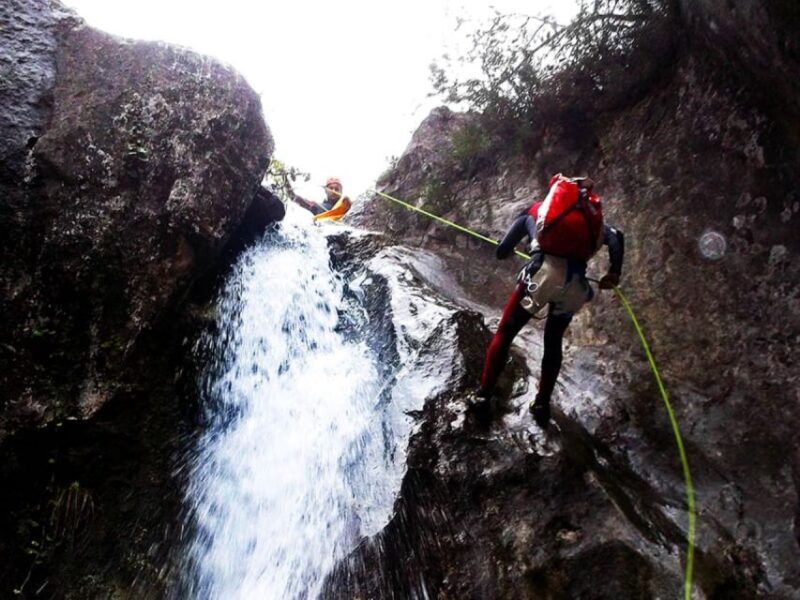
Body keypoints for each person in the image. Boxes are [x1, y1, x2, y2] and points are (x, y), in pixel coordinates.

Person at [473, 174, 624, 429]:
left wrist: (511, 249)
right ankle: (541, 404)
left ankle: (483, 396)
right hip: (575, 285)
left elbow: (501, 252)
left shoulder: (537, 212)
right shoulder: (596, 225)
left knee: (505, 333)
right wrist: (614, 273)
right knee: (553, 343)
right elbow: (617, 237)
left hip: (542, 275)